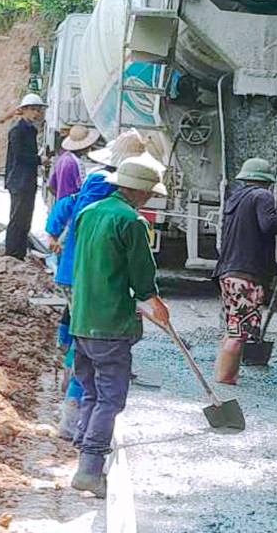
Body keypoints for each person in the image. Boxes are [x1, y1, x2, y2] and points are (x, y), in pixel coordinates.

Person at [68, 153, 170, 497]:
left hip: (81, 320)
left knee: (92, 393)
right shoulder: (131, 221)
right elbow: (143, 278)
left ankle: (85, 458)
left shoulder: (88, 213)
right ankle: (90, 469)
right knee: (110, 398)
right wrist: (154, 302)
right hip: (110, 324)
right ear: (140, 192)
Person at [45, 130, 155, 442]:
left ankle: (75, 410)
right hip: (84, 272)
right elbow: (81, 216)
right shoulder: (102, 183)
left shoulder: (102, 182)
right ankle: (73, 417)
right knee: (89, 338)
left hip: (86, 271)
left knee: (82, 338)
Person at [212, 157, 277, 383]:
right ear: (267, 180)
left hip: (228, 273)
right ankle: (224, 381)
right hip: (246, 277)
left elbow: (250, 238)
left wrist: (273, 269)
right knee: (240, 333)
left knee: (232, 329)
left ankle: (225, 376)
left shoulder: (235, 199)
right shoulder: (262, 196)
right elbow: (269, 225)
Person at [4, 94, 46, 260]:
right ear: (24, 110)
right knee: (17, 219)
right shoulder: (18, 129)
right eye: (33, 110)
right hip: (18, 181)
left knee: (25, 219)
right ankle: (12, 254)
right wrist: (38, 160)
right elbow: (19, 155)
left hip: (28, 181)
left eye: (38, 110)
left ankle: (19, 253)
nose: (36, 114)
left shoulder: (30, 129)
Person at [48, 124, 100, 201]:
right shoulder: (75, 163)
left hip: (61, 203)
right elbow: (80, 187)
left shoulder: (62, 158)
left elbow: (52, 185)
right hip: (71, 203)